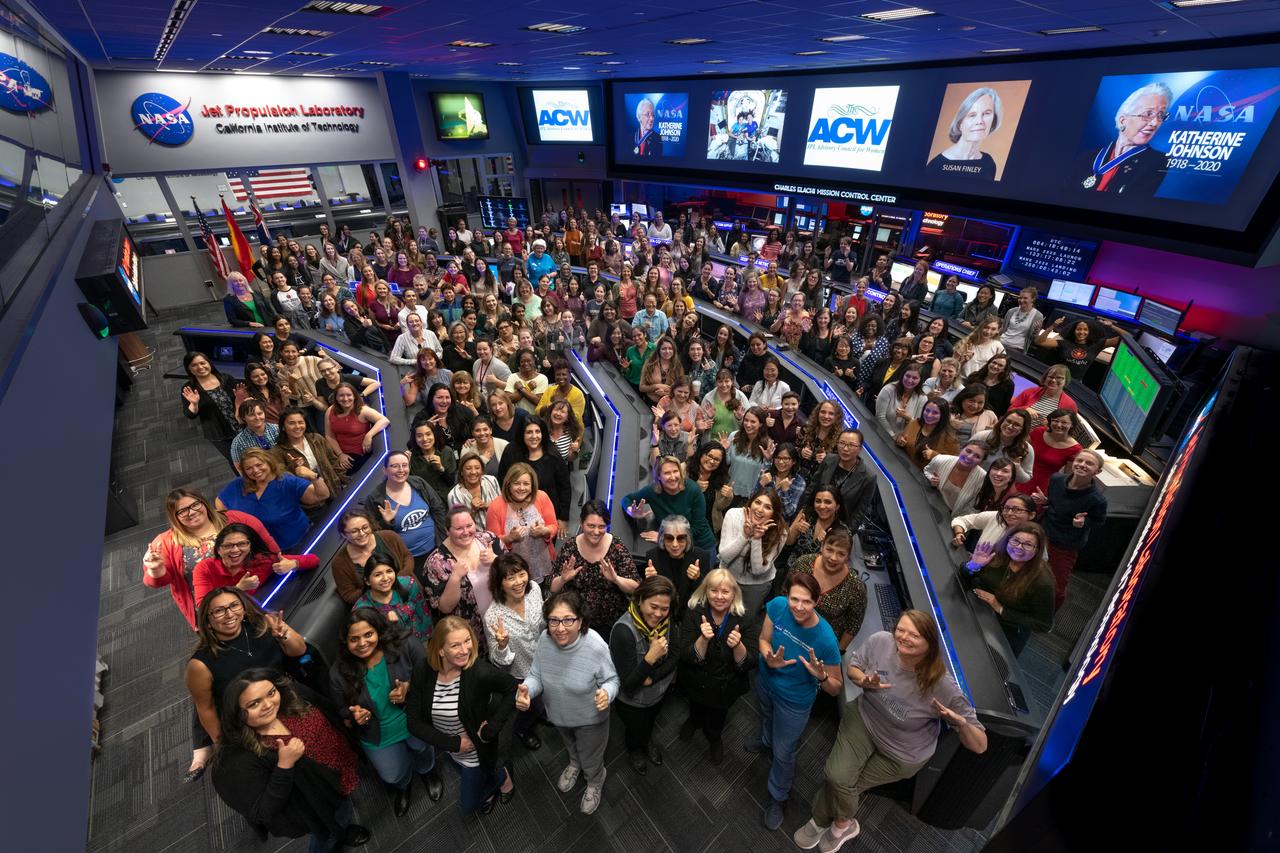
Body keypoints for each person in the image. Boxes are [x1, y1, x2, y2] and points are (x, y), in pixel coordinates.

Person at [794, 610, 987, 851]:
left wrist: (960, 723)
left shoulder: (942, 684)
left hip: (902, 752)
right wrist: (863, 680)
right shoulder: (881, 641)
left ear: (929, 643)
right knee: (837, 777)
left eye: (914, 635)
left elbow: (980, 745)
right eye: (901, 630)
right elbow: (853, 667)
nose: (903, 637)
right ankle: (843, 824)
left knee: (846, 784)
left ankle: (823, 821)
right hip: (865, 720)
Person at [211, 668, 369, 852]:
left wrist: (347, 719)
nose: (268, 704)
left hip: (340, 769)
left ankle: (341, 830)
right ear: (238, 714)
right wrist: (284, 766)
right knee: (330, 828)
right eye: (255, 704)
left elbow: (326, 708)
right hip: (317, 801)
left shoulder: (291, 695)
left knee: (343, 811)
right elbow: (263, 811)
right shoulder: (241, 758)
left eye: (270, 693)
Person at [186, 588, 311, 782]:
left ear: (243, 608)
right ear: (208, 621)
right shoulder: (199, 666)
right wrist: (227, 750)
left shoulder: (264, 625)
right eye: (219, 611)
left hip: (286, 702)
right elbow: (206, 710)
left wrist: (283, 634)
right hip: (250, 725)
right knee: (284, 774)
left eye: (234, 605)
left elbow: (299, 650)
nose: (229, 614)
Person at [749, 572, 842, 831]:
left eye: (807, 602)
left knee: (784, 751)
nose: (799, 607)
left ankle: (778, 796)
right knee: (766, 717)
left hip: (794, 701)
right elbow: (763, 640)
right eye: (794, 599)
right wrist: (768, 657)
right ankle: (764, 740)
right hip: (766, 681)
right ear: (787, 595)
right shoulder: (778, 606)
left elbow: (836, 688)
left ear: (817, 601)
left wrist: (821, 676)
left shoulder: (826, 639)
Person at [516, 591, 620, 814]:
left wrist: (606, 694)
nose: (559, 628)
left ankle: (594, 780)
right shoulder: (545, 639)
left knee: (591, 756)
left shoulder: (595, 645)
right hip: (559, 714)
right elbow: (536, 674)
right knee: (572, 747)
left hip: (590, 719)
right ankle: (574, 764)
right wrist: (527, 691)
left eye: (568, 620)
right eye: (554, 620)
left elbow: (612, 680)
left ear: (580, 620)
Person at [330, 609, 440, 816]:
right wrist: (354, 715)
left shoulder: (406, 644)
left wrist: (410, 689)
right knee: (392, 775)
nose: (362, 643)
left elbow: (432, 675)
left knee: (422, 749)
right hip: (376, 732)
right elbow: (341, 709)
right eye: (354, 639)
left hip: (414, 718)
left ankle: (427, 771)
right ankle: (404, 784)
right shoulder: (338, 672)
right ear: (345, 642)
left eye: (368, 634)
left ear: (379, 631)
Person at [404, 616, 517, 815]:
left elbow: (512, 689)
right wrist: (454, 744)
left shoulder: (479, 672)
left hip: (475, 750)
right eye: (455, 645)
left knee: (468, 807)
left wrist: (491, 729)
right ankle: (494, 778)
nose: (465, 650)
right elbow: (413, 722)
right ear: (440, 649)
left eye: (467, 641)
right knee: (464, 771)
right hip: (450, 746)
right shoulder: (423, 669)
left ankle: (502, 778)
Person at [676, 570, 758, 764]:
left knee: (717, 716)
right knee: (695, 706)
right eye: (714, 590)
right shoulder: (695, 612)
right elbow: (686, 656)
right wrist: (702, 640)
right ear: (706, 591)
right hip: (697, 679)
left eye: (725, 592)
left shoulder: (745, 617)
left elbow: (750, 663)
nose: (719, 596)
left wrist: (738, 646)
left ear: (734, 594)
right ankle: (694, 721)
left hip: (725, 685)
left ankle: (714, 737)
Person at [609, 576, 684, 775]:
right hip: (632, 702)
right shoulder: (623, 632)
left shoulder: (669, 619)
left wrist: (654, 677)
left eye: (664, 608)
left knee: (650, 721)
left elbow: (676, 654)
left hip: (658, 692)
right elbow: (629, 685)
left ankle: (646, 740)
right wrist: (650, 658)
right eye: (653, 606)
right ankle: (635, 750)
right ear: (640, 599)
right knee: (635, 729)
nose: (659, 614)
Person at [482, 553, 546, 751]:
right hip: (522, 671)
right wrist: (502, 646)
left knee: (544, 697)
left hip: (545, 659)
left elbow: (543, 622)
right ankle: (522, 729)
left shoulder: (534, 589)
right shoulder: (493, 615)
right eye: (510, 578)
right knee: (528, 706)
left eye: (521, 574)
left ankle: (541, 713)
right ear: (499, 583)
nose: (519, 582)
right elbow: (498, 661)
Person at [962, 523, 1055, 653]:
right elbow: (965, 574)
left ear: (1037, 550)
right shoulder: (997, 553)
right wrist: (973, 566)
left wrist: (1000, 608)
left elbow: (1043, 625)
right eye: (1015, 540)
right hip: (975, 613)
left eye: (1028, 544)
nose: (1019, 547)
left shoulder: (1042, 582)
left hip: (1004, 631)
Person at [421, 506, 500, 655]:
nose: (466, 532)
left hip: (500, 621)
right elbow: (444, 608)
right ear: (447, 530)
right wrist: (455, 577)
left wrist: (496, 560)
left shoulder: (488, 539)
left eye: (469, 526)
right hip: (468, 633)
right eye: (459, 528)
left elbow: (513, 573)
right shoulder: (436, 562)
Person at [1037, 449, 1108, 610]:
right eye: (1079, 460)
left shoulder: (1097, 500)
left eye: (1089, 463)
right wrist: (1045, 501)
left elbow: (1098, 522)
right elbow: (1055, 503)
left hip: (1064, 543)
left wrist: (1084, 522)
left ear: (1098, 471)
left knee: (1056, 584)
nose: (1082, 465)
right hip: (1043, 530)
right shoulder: (1056, 479)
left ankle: (1047, 615)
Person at [216, 448, 326, 551]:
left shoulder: (287, 482)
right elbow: (220, 502)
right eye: (248, 468)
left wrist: (314, 476)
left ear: (269, 462)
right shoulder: (239, 484)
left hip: (299, 544)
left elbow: (321, 495)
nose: (255, 470)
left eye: (259, 465)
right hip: (264, 551)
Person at [192, 522, 317, 606]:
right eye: (228, 546)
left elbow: (313, 559)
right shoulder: (204, 568)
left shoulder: (261, 560)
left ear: (250, 546)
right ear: (219, 549)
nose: (235, 550)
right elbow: (203, 606)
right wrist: (238, 589)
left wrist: (293, 564)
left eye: (242, 544)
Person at [1079, 81, 1171, 195]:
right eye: (1148, 114)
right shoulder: (1087, 157)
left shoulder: (1158, 161)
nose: (1155, 123)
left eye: (1161, 115)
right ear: (1123, 120)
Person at [365, 451, 448, 574]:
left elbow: (438, 509)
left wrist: (443, 541)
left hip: (437, 547)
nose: (401, 470)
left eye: (404, 465)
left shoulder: (418, 483)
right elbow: (374, 535)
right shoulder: (375, 498)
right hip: (408, 559)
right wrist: (387, 522)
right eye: (394, 466)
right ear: (385, 470)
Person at [624, 455, 719, 556]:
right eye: (667, 473)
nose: (673, 477)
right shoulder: (652, 491)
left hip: (700, 545)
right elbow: (627, 499)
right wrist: (630, 511)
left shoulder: (693, 489)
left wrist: (664, 537)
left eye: (675, 471)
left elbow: (698, 527)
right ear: (659, 476)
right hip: (674, 546)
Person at [791, 529, 866, 650]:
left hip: (822, 643)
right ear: (822, 546)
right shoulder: (803, 564)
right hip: (793, 629)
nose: (833, 558)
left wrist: (838, 650)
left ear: (848, 557)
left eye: (841, 554)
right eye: (829, 550)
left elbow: (854, 624)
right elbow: (786, 593)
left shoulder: (855, 586)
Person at [720, 488, 787, 615]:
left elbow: (757, 571)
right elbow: (724, 557)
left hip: (755, 585)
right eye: (757, 502)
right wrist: (745, 536)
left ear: (774, 513)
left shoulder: (780, 532)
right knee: (719, 614)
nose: (760, 509)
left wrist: (756, 539)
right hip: (728, 576)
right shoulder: (734, 515)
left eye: (768, 507)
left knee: (743, 621)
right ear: (751, 502)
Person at [329, 508, 414, 605]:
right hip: (378, 608)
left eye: (365, 527)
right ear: (344, 535)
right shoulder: (339, 563)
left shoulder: (389, 536)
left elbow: (407, 558)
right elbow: (349, 595)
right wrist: (376, 589)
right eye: (354, 531)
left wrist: (397, 581)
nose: (362, 533)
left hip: (410, 593)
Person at [180, 352, 247, 468]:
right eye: (194, 365)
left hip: (242, 424)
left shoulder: (226, 378)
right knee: (237, 462)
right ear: (189, 369)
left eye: (202, 363)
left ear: (209, 363)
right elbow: (189, 414)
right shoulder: (189, 388)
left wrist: (242, 398)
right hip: (219, 432)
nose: (200, 367)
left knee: (254, 455)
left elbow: (242, 398)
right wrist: (194, 404)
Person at [800, 429, 876, 531]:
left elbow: (860, 512)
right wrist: (802, 512)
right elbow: (812, 487)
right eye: (842, 443)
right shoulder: (829, 460)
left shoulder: (868, 476)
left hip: (837, 528)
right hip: (811, 519)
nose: (845, 448)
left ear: (860, 448)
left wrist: (845, 534)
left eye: (851, 445)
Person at [927, 86, 1003, 180]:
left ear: (993, 121)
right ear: (960, 124)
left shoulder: (989, 164)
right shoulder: (936, 166)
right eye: (972, 115)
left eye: (986, 113)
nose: (979, 121)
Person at [641, 514, 708, 615]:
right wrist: (651, 581)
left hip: (690, 615)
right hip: (663, 615)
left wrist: (697, 578)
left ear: (688, 538)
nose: (675, 544)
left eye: (681, 538)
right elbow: (647, 596)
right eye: (669, 538)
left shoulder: (702, 556)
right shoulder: (653, 556)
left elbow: (708, 595)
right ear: (662, 538)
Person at [325, 382, 389, 471]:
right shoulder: (330, 410)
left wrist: (369, 435)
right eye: (341, 395)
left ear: (354, 396)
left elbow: (384, 420)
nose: (345, 398)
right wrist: (340, 454)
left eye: (349, 395)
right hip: (338, 452)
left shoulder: (363, 410)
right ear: (336, 398)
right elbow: (329, 435)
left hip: (358, 453)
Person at [1021, 408, 1083, 497]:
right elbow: (1020, 451)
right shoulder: (1038, 431)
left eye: (1064, 422)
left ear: (1072, 425)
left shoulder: (1075, 449)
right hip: (1021, 475)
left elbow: (1066, 476)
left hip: (1043, 487)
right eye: (1055, 421)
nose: (1059, 425)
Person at [971, 408, 1035, 484]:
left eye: (1017, 425)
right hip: (973, 481)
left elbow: (1025, 479)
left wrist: (1017, 468)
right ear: (1002, 421)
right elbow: (962, 457)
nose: (1010, 426)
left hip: (999, 489)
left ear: (1023, 429)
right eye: (1008, 421)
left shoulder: (1026, 449)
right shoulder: (982, 436)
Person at [924, 442, 989, 514]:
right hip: (929, 504)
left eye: (977, 456)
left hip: (954, 517)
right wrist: (931, 479)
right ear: (961, 450)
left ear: (981, 463)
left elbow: (974, 507)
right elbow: (926, 471)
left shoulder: (983, 478)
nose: (970, 457)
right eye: (968, 451)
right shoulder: (940, 459)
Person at [896, 398, 960, 470]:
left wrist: (935, 456)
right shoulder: (915, 423)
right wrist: (899, 440)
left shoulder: (950, 438)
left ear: (943, 415)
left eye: (935, 413)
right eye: (927, 410)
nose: (929, 415)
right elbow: (902, 436)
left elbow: (953, 463)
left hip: (923, 476)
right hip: (901, 466)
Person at [1010, 364, 1079, 428]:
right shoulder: (1029, 392)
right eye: (1050, 377)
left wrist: (1053, 426)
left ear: (1066, 381)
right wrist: (1025, 409)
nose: (1053, 380)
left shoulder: (1070, 404)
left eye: (1059, 378)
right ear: (1045, 378)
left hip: (1041, 438)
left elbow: (1070, 428)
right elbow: (1009, 411)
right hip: (1017, 433)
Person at [874, 364, 927, 439]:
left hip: (904, 441)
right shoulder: (888, 389)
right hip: (880, 435)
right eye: (907, 376)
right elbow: (880, 417)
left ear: (920, 380)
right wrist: (894, 437)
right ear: (903, 375)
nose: (909, 380)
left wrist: (908, 418)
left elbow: (917, 425)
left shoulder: (923, 398)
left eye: (915, 378)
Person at [967, 353, 1015, 418]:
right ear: (989, 363)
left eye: (1000, 365)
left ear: (1004, 369)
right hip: (968, 412)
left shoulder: (1008, 385)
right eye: (994, 362)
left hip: (989, 419)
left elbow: (1004, 409)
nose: (995, 366)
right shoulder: (975, 377)